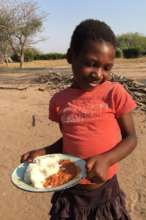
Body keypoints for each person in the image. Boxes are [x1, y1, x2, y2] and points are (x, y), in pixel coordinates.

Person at [21, 19, 137, 220]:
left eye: (106, 68)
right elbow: (68, 140)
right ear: (70, 56)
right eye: (91, 64)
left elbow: (131, 138)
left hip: (105, 192)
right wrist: (45, 151)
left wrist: (107, 159)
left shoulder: (114, 93)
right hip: (69, 190)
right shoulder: (59, 101)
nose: (98, 74)